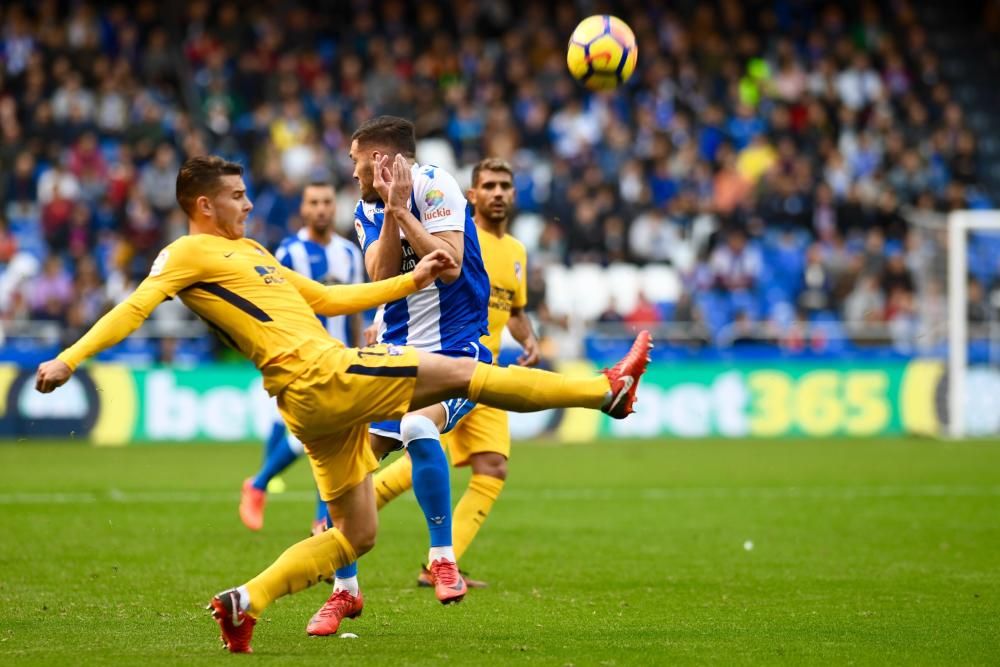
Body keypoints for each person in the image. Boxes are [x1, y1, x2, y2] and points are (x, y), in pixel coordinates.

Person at [34, 155, 651, 654]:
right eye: (238, 196)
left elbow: (325, 300)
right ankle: (605, 391)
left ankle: (246, 601)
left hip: (307, 405)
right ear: (204, 204)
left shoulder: (251, 255)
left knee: (357, 532)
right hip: (323, 374)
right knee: (468, 373)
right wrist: (70, 358)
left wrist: (407, 283)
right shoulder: (185, 254)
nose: (249, 204)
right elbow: (135, 307)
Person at [308, 116, 491, 635]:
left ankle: (442, 557)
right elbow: (381, 274)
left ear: (383, 159)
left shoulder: (438, 184)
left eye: (356, 159)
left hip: (457, 351)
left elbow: (449, 263)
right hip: (395, 351)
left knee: (415, 426)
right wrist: (389, 212)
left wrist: (404, 210)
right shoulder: (367, 206)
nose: (352, 170)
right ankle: (346, 592)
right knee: (338, 449)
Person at [366, 157, 538, 599]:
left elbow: (513, 310)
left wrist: (529, 337)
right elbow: (411, 283)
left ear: (514, 195)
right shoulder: (455, 232)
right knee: (414, 448)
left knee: (490, 466)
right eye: (489, 186)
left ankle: (442, 561)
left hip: (488, 370)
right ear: (472, 195)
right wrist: (379, 320)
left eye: (506, 185)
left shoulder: (517, 252)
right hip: (446, 361)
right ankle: (342, 523)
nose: (498, 193)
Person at [238, 182, 365, 534]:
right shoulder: (288, 253)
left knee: (333, 440)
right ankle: (268, 486)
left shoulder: (350, 254)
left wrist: (357, 351)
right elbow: (273, 307)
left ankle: (317, 518)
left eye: (327, 201)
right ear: (304, 209)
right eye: (314, 202)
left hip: (340, 357)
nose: (322, 208)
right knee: (321, 436)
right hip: (301, 359)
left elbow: (353, 310)